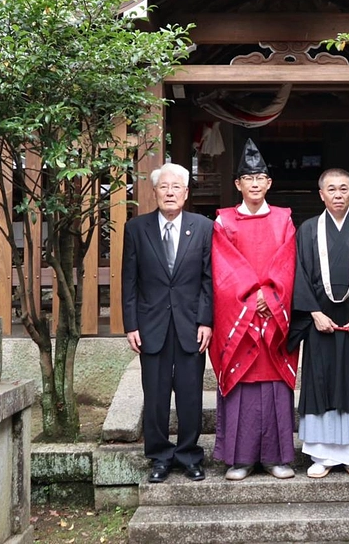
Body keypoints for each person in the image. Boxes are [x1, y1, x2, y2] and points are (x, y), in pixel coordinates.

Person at [290, 168, 349, 480]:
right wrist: (314, 313)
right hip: (321, 323)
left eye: (343, 189)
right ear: (321, 194)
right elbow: (299, 276)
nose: (337, 195)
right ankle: (322, 455)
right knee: (322, 385)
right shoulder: (306, 231)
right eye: (331, 189)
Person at [210, 140, 298, 481]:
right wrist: (252, 297)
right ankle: (240, 458)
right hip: (240, 315)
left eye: (261, 177)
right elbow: (224, 268)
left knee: (274, 385)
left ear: (269, 183)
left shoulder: (284, 219)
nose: (256, 183)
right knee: (242, 383)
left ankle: (278, 457)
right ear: (238, 184)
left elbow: (288, 263)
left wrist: (270, 296)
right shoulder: (223, 222)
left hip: (273, 316)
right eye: (249, 178)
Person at [121, 163, 213, 483]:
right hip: (151, 324)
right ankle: (159, 455)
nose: (170, 192)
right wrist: (130, 325)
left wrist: (206, 321)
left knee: (190, 393)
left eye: (177, 187)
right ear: (155, 192)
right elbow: (129, 280)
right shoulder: (137, 228)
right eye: (164, 187)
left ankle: (189, 454)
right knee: (156, 393)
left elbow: (208, 280)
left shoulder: (203, 227)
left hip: (190, 324)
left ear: (186, 193)